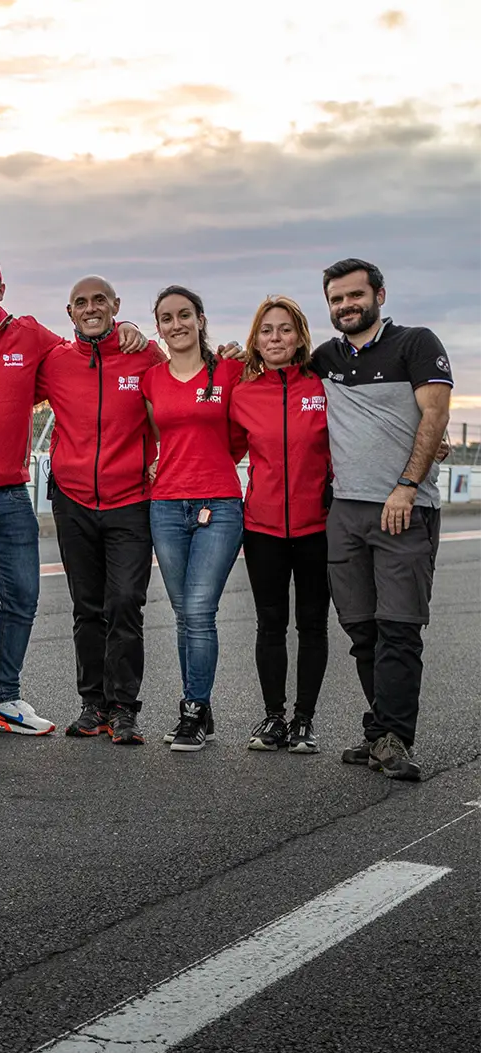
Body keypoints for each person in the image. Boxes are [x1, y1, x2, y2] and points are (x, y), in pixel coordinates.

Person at [0, 250, 149, 738]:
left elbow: (85, 355)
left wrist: (131, 334)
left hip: (9, 493)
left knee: (22, 597)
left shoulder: (32, 337)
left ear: (1, 288)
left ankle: (4, 698)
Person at [314, 259, 451, 782]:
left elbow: (435, 415)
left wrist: (408, 486)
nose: (346, 306)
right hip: (345, 511)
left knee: (399, 627)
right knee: (362, 630)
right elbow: (271, 369)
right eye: (336, 300)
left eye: (355, 296)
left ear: (379, 295)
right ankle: (380, 735)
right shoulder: (324, 358)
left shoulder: (416, 342)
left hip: (404, 507)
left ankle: (395, 737)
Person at [35, 276, 164, 745]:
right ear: (69, 312)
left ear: (115, 306)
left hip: (130, 498)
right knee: (87, 607)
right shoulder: (54, 362)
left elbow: (176, 396)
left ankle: (125, 707)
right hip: (72, 499)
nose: (91, 309)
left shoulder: (144, 354)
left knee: (126, 601)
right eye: (81, 303)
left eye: (100, 301)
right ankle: (93, 704)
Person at [142, 285, 245, 753]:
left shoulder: (231, 370)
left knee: (200, 612)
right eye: (166, 318)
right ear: (158, 327)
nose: (176, 324)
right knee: (185, 615)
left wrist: (212, 464)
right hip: (165, 505)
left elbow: (242, 434)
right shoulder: (151, 379)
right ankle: (198, 710)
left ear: (201, 319)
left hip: (219, 504)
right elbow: (157, 433)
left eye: (185, 315)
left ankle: (193, 708)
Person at [230, 295, 331, 756]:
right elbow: (222, 448)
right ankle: (274, 717)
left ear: (300, 337)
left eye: (285, 329)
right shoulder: (244, 392)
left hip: (319, 527)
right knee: (271, 624)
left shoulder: (324, 384)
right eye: (267, 330)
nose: (276, 338)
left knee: (312, 625)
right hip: (264, 528)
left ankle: (304, 720)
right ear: (256, 339)